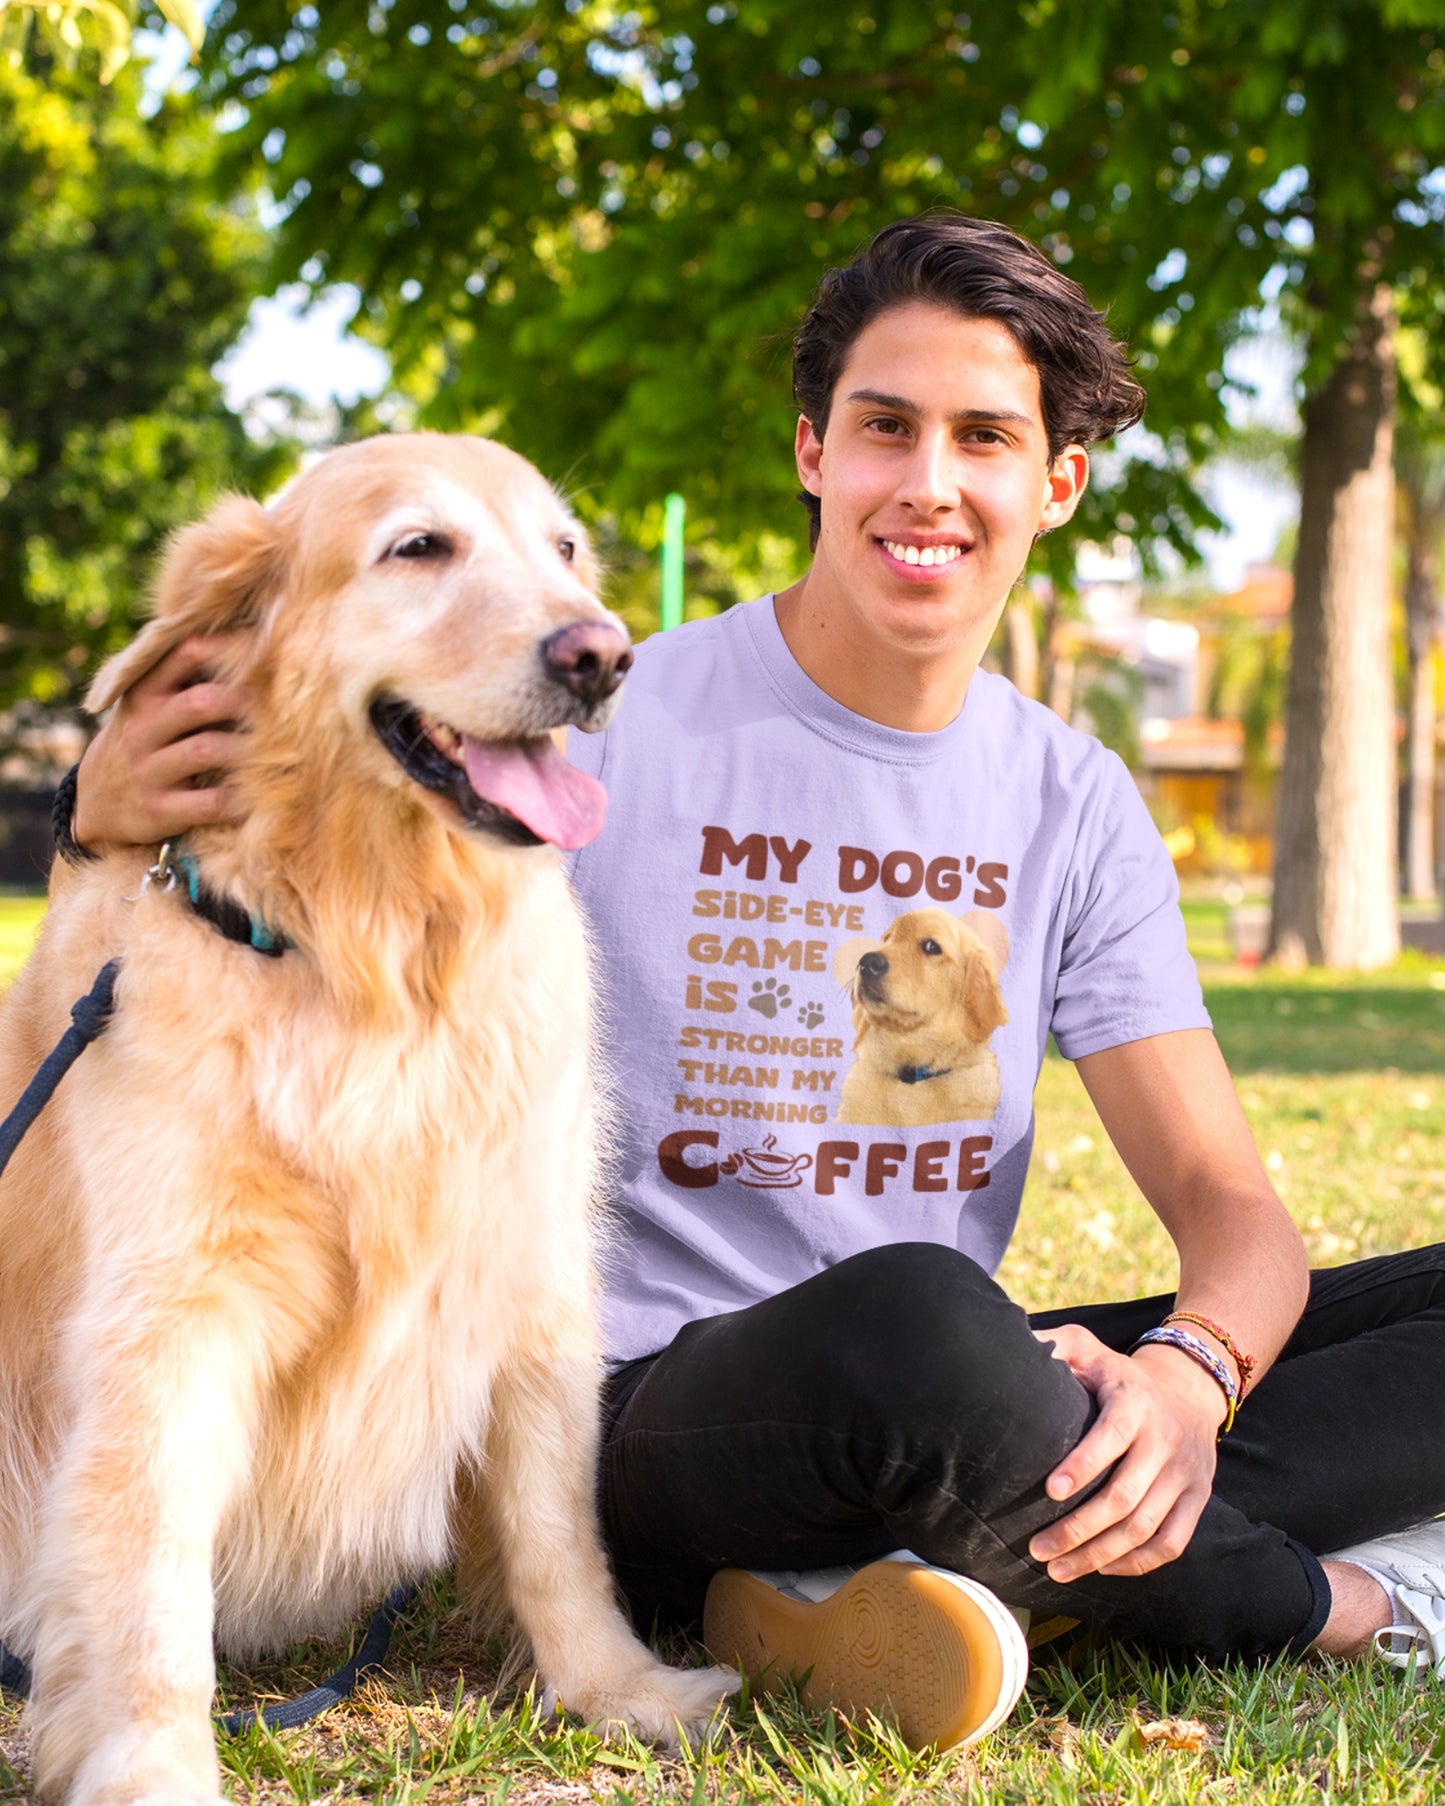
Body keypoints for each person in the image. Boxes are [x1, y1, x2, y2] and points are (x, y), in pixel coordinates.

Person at [66, 214, 1445, 1749]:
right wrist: (104, 811)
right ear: (811, 453)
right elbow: (291, 851)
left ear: (1053, 482)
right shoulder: (593, 716)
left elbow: (1235, 1214)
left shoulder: (1072, 796)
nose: (928, 482)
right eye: (884, 429)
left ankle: (917, 1562)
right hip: (639, 1408)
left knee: (989, 1348)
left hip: (938, 1401)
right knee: (920, 1324)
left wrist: (1185, 1383)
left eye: (983, 436)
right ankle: (1353, 1604)